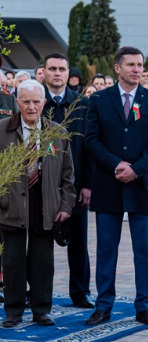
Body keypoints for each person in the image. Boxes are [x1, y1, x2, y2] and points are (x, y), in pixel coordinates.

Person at [84, 46, 148, 327]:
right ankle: (103, 305)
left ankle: (145, 306)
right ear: (117, 68)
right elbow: (91, 139)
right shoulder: (99, 99)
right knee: (106, 249)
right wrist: (116, 164)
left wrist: (136, 169)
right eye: (130, 64)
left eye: (140, 64)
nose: (136, 69)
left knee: (145, 250)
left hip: (142, 184)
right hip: (109, 183)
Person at [0, 79, 75, 328]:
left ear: (44, 103)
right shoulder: (2, 130)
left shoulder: (58, 132)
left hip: (45, 205)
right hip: (11, 205)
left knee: (43, 262)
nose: (31, 107)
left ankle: (42, 310)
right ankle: (13, 311)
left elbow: (68, 175)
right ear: (17, 102)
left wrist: (65, 206)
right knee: (12, 262)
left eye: (36, 101)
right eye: (26, 102)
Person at [42, 52, 94, 309]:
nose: (57, 73)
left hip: (75, 184)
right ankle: (37, 292)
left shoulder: (83, 104)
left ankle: (80, 292)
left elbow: (90, 146)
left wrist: (88, 185)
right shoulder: (36, 100)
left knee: (79, 243)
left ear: (67, 73)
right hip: (40, 185)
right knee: (40, 245)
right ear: (44, 72)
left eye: (61, 69)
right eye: (52, 69)